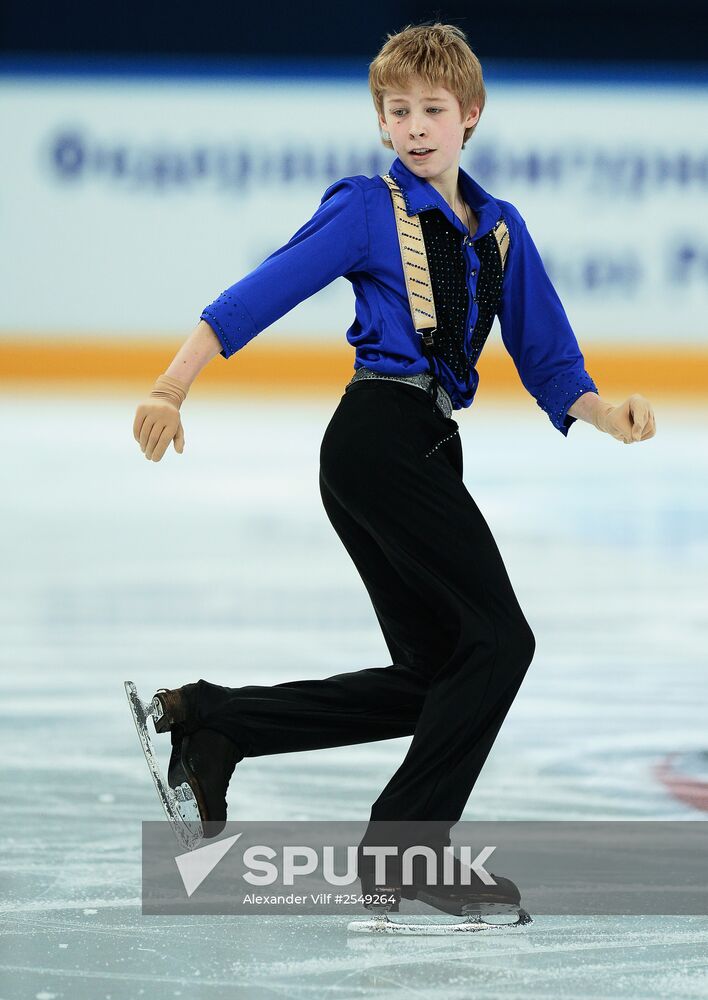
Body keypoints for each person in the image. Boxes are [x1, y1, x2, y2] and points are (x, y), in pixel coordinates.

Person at [132, 22, 656, 914]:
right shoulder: (368, 208)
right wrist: (171, 387)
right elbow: (266, 288)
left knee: (439, 676)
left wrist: (605, 413)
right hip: (378, 435)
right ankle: (406, 851)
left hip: (423, 446)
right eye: (398, 110)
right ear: (382, 123)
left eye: (433, 110)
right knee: (501, 642)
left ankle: (218, 724)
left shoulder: (498, 230)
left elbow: (548, 357)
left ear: (470, 117)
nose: (415, 126)